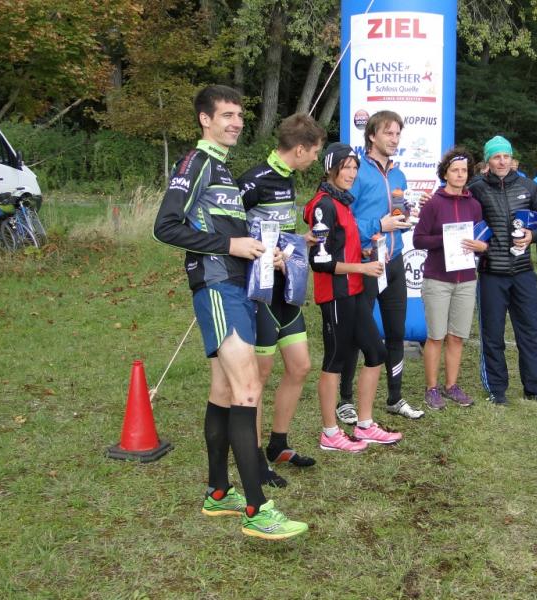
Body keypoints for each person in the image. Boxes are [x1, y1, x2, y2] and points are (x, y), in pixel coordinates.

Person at [153, 85, 307, 540]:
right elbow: (166, 226)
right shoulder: (196, 163)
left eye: (240, 115)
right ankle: (258, 509)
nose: (236, 122)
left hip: (239, 285)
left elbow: (233, 232)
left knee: (223, 391)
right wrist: (230, 245)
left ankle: (219, 492)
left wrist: (263, 251)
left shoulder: (222, 167)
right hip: (217, 287)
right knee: (247, 390)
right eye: (226, 115)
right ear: (205, 119)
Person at [237, 113, 326, 487]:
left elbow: (277, 231)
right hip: (259, 292)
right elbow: (229, 230)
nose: (316, 159)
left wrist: (297, 241)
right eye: (315, 152)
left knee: (300, 366)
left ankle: (278, 445)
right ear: (300, 149)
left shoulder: (288, 178)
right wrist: (259, 253)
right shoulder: (254, 180)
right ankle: (255, 459)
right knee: (258, 377)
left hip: (286, 288)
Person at [303, 143, 402, 451]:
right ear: (330, 169)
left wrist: (366, 252)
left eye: (355, 168)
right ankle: (330, 433)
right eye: (345, 167)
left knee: (376, 352)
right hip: (335, 294)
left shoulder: (343, 201)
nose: (351, 173)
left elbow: (344, 246)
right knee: (335, 360)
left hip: (355, 289)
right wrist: (362, 266)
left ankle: (365, 424)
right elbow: (320, 261)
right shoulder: (324, 205)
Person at [336, 110, 425, 423]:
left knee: (396, 331)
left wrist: (404, 217)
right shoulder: (357, 173)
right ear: (372, 135)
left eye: (398, 134)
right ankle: (345, 399)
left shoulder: (398, 175)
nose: (395, 139)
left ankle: (395, 397)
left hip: (394, 259)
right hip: (365, 263)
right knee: (355, 333)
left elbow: (396, 217)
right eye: (389, 133)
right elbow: (343, 221)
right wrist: (378, 225)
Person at [468, 135, 537, 405]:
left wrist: (534, 234)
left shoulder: (528, 186)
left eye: (506, 156)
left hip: (523, 272)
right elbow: (453, 206)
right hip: (491, 273)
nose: (502, 161)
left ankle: (536, 388)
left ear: (512, 159)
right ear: (488, 160)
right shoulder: (476, 188)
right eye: (496, 157)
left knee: (530, 331)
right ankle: (497, 389)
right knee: (492, 334)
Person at [413, 146, 486, 410]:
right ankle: (431, 388)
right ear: (445, 173)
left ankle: (451, 385)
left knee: (457, 336)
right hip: (438, 279)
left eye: (464, 170)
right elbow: (418, 240)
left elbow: (480, 239)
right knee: (436, 336)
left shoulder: (474, 205)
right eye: (455, 170)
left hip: (466, 279)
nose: (460, 175)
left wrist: (482, 247)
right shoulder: (433, 203)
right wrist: (446, 239)